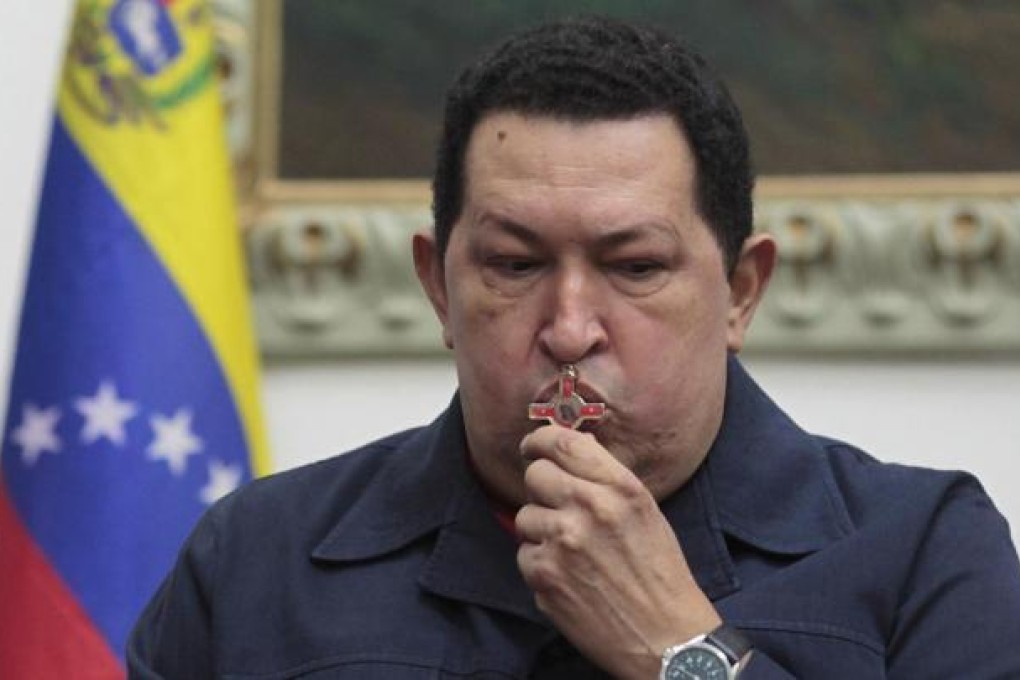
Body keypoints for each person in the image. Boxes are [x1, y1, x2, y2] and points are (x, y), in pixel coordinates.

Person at [128, 16, 1020, 679]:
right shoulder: (254, 560)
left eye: (633, 267)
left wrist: (681, 649)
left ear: (742, 291)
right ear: (439, 286)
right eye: (515, 264)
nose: (567, 328)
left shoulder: (925, 553)